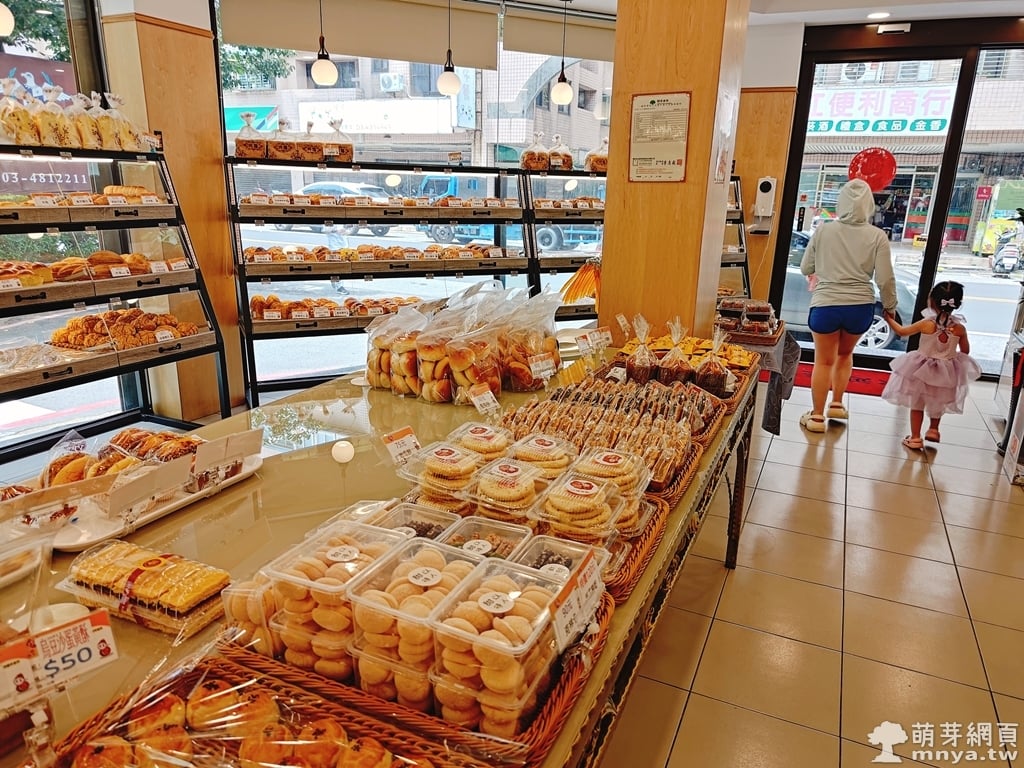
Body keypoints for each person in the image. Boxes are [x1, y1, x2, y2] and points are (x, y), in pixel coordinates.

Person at [799, 178, 898, 433]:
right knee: (844, 355)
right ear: (869, 205)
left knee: (823, 361)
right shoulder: (878, 236)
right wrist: (890, 305)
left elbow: (806, 267)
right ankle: (837, 404)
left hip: (826, 305)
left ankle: (817, 417)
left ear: (841, 202)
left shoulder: (824, 231)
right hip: (860, 307)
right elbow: (885, 278)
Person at [880, 280, 981, 450]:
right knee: (938, 401)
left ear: (932, 301)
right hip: (945, 372)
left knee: (917, 405)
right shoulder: (959, 329)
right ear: (957, 304)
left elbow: (902, 331)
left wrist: (889, 319)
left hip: (920, 370)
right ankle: (934, 429)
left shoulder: (927, 323)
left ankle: (915, 438)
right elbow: (965, 350)